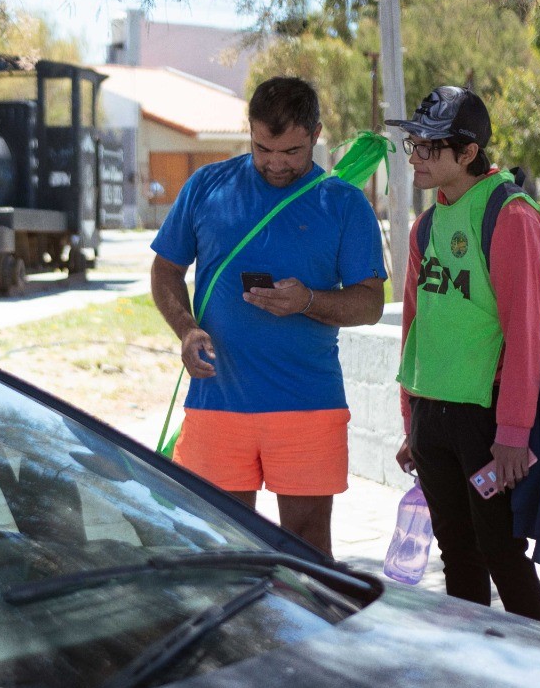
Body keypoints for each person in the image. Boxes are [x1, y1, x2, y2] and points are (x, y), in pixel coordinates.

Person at [149, 76, 386, 557]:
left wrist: (309, 302)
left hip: (307, 403)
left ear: (316, 134)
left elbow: (370, 304)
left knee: (306, 546)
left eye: (292, 151)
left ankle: (311, 634)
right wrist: (187, 327)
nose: (276, 163)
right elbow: (165, 269)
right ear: (250, 132)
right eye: (263, 148)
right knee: (223, 544)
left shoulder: (343, 204)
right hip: (217, 401)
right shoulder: (206, 187)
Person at [387, 86, 540, 621]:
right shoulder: (426, 224)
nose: (416, 158)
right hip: (432, 417)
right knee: (456, 554)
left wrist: (513, 434)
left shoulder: (510, 214)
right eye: (414, 145)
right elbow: (416, 326)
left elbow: (525, 332)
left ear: (468, 153)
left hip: (485, 421)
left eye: (430, 148)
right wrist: (411, 420)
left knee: (502, 552)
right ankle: (473, 674)